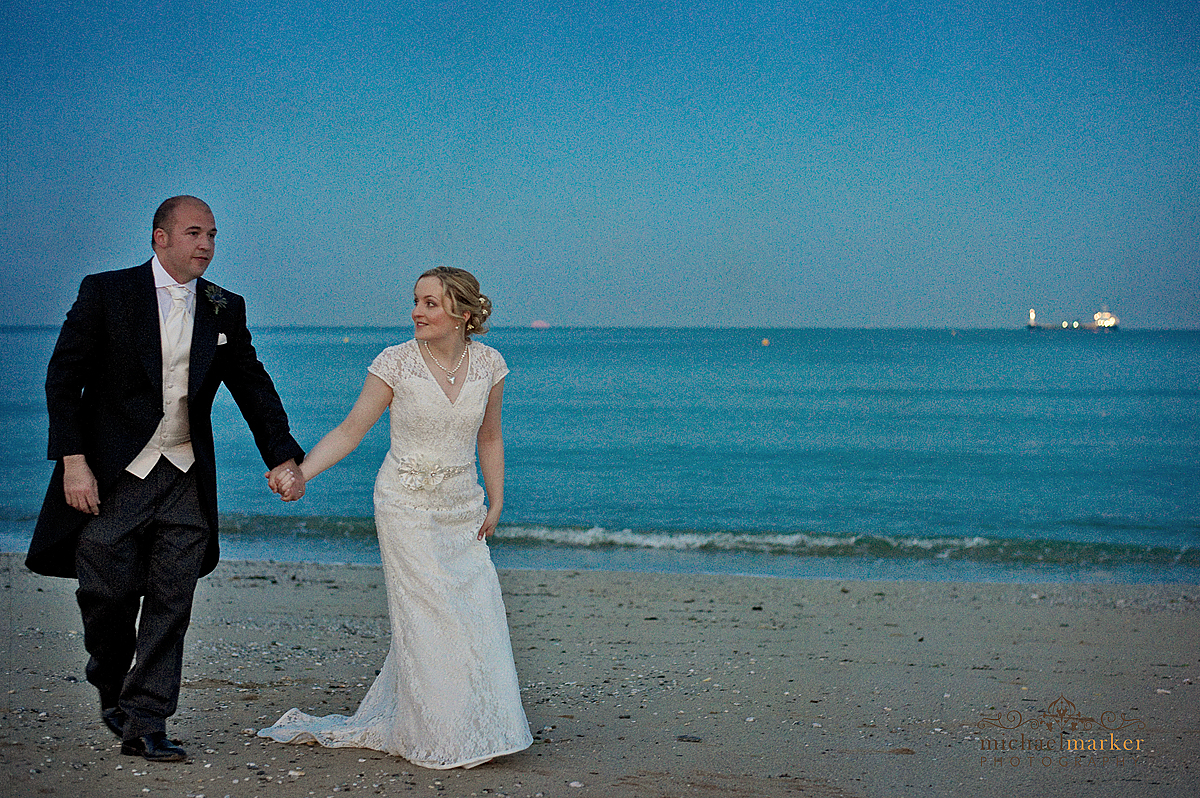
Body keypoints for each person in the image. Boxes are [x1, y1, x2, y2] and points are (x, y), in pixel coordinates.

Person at [26, 196, 306, 762]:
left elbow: (252, 384)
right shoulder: (105, 292)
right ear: (160, 238)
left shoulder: (225, 306)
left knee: (171, 602)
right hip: (113, 478)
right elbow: (63, 381)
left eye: (212, 235)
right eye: (193, 233)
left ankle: (146, 719)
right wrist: (72, 463)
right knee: (105, 593)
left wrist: (281, 456)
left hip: (184, 477)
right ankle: (110, 678)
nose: (205, 244)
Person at [258, 266, 532, 769]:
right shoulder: (395, 363)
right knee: (430, 619)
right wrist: (301, 473)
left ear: (462, 314)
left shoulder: (491, 364)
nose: (417, 311)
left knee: (476, 613)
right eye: (416, 301)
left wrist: (496, 500)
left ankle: (479, 726)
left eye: (430, 303)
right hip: (404, 504)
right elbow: (350, 430)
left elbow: (489, 437)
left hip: (462, 506)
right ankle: (442, 736)